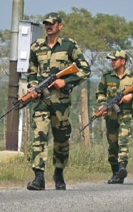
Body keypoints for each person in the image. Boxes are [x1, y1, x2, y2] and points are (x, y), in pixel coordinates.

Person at [20, 13, 91, 191]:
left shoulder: (69, 46)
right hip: (41, 101)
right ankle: (38, 176)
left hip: (61, 102)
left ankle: (59, 173)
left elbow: (85, 70)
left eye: (52, 24)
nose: (48, 27)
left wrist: (65, 82)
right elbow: (31, 72)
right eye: (46, 24)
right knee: (39, 136)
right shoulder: (36, 47)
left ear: (60, 26)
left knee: (61, 139)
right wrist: (33, 87)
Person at [93, 50, 133, 185]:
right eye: (111, 60)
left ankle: (122, 167)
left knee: (123, 140)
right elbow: (100, 93)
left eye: (115, 60)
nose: (112, 62)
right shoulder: (107, 77)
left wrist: (130, 97)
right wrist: (102, 105)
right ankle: (115, 172)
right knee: (112, 145)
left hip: (126, 114)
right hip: (110, 116)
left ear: (123, 61)